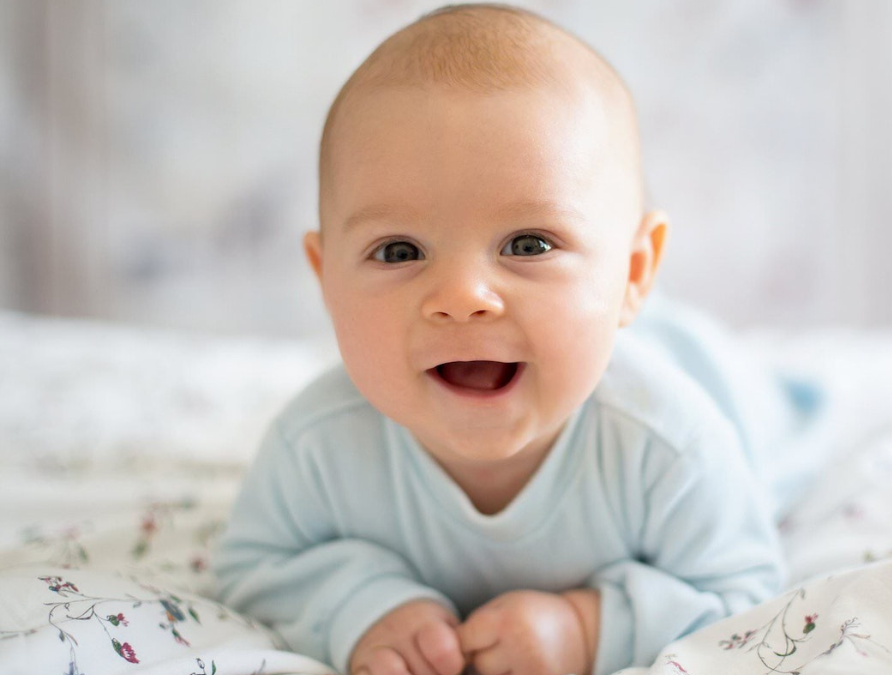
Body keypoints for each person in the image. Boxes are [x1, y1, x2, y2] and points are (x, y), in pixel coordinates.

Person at [214, 5, 815, 675]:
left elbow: (746, 593)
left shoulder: (671, 445)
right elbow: (252, 568)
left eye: (528, 243)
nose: (462, 296)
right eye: (399, 250)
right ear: (327, 281)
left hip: (706, 376)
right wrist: (364, 605)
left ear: (634, 272)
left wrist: (588, 627)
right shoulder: (316, 448)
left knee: (771, 408)